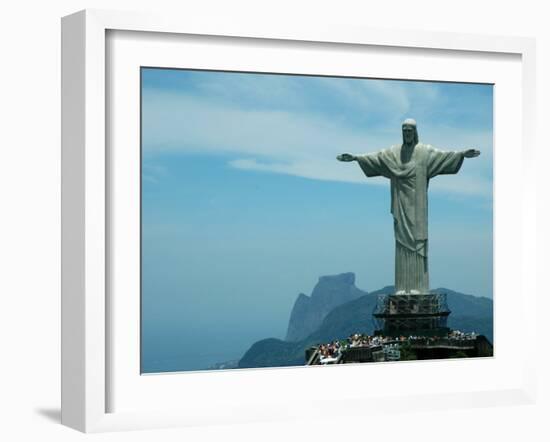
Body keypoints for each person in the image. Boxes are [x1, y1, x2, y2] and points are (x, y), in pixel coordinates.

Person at [337, 119, 480, 294]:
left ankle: (418, 287)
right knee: (402, 244)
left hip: (418, 208)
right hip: (401, 205)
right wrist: (356, 157)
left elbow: (443, 156)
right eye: (404, 131)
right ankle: (402, 287)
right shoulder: (394, 153)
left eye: (410, 131)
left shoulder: (424, 152)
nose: (407, 134)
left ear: (415, 132)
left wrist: (462, 154)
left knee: (417, 242)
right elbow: (377, 158)